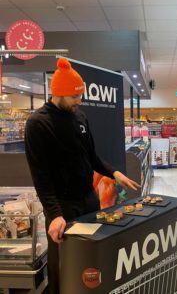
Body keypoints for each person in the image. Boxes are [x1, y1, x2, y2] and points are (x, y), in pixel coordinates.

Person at [24, 58, 140, 294]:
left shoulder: (80, 118)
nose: (80, 101)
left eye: (80, 96)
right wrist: (54, 214)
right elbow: (40, 176)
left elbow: (92, 157)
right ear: (58, 93)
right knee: (65, 263)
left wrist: (114, 172)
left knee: (92, 256)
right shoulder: (37, 123)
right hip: (63, 207)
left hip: (89, 200)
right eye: (75, 97)